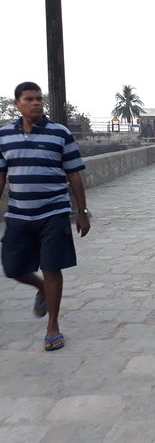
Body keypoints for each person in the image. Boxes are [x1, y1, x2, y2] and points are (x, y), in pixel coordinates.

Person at [0, 81, 91, 351]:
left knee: (53, 267)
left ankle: (53, 326)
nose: (36, 102)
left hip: (54, 211)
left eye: (39, 98)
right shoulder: (4, 136)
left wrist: (82, 212)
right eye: (29, 99)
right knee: (13, 268)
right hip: (18, 213)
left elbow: (74, 173)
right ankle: (41, 288)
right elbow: (1, 177)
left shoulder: (59, 133)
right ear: (17, 104)